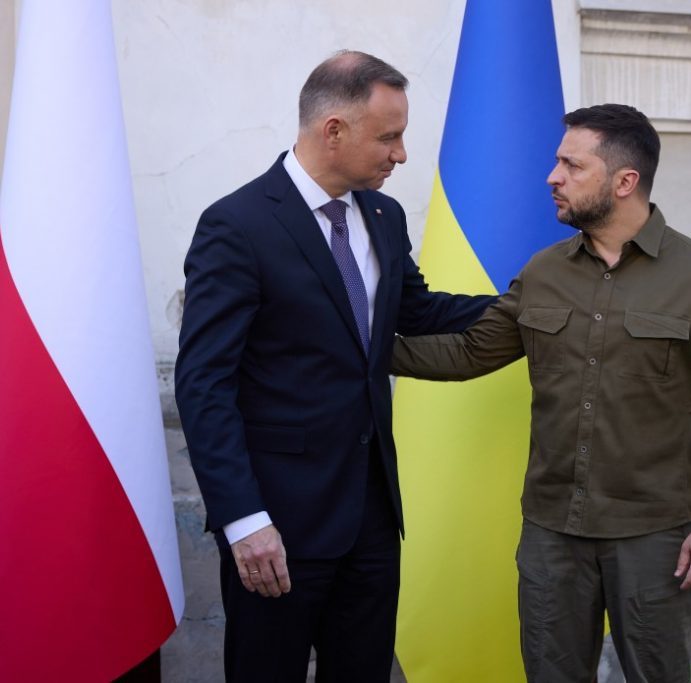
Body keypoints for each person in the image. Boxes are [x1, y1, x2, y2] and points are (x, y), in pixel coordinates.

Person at [392, 103, 691, 683]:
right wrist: (359, 347)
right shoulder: (543, 272)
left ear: (624, 181)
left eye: (571, 164)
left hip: (653, 535)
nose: (552, 177)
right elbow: (468, 354)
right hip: (551, 534)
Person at [174, 51, 493, 682]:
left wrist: (529, 302)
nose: (401, 154)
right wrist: (244, 521)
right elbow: (203, 385)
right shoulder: (236, 226)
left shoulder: (383, 215)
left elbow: (418, 310)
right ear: (334, 131)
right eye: (390, 137)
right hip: (278, 526)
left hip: (372, 519)